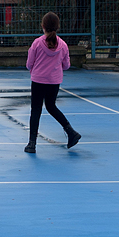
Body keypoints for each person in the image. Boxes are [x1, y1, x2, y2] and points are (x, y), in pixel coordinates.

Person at [23, 10, 81, 153]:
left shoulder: (37, 43)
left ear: (43, 26)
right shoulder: (63, 45)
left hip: (38, 80)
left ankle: (32, 143)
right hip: (54, 82)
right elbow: (66, 65)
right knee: (51, 106)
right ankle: (70, 131)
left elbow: (29, 63)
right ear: (57, 27)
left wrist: (35, 70)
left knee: (36, 110)